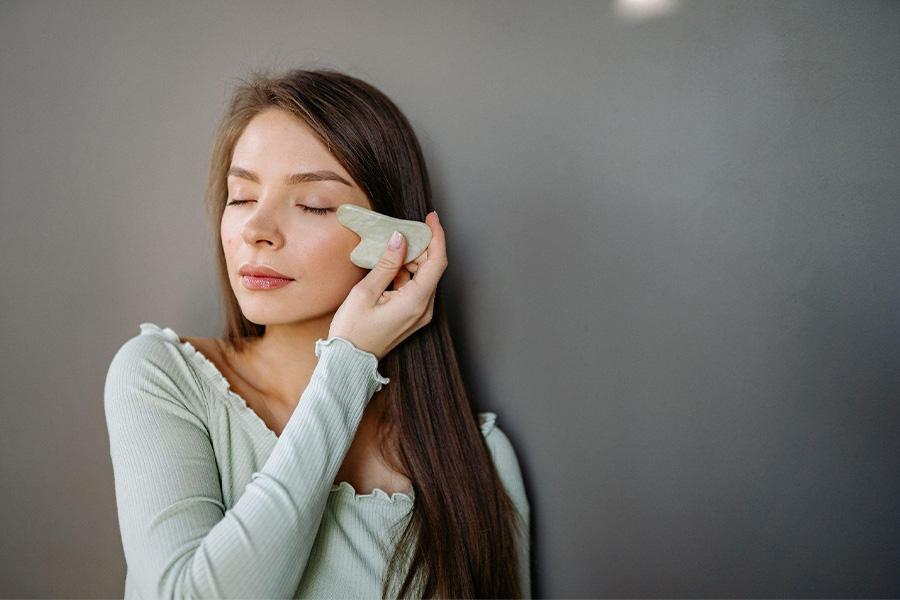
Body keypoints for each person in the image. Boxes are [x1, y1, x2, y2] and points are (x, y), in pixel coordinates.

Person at [104, 67, 530, 599]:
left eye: (314, 205)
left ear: (396, 237)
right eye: (240, 197)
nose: (256, 231)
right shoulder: (160, 375)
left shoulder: (478, 459)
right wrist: (348, 362)